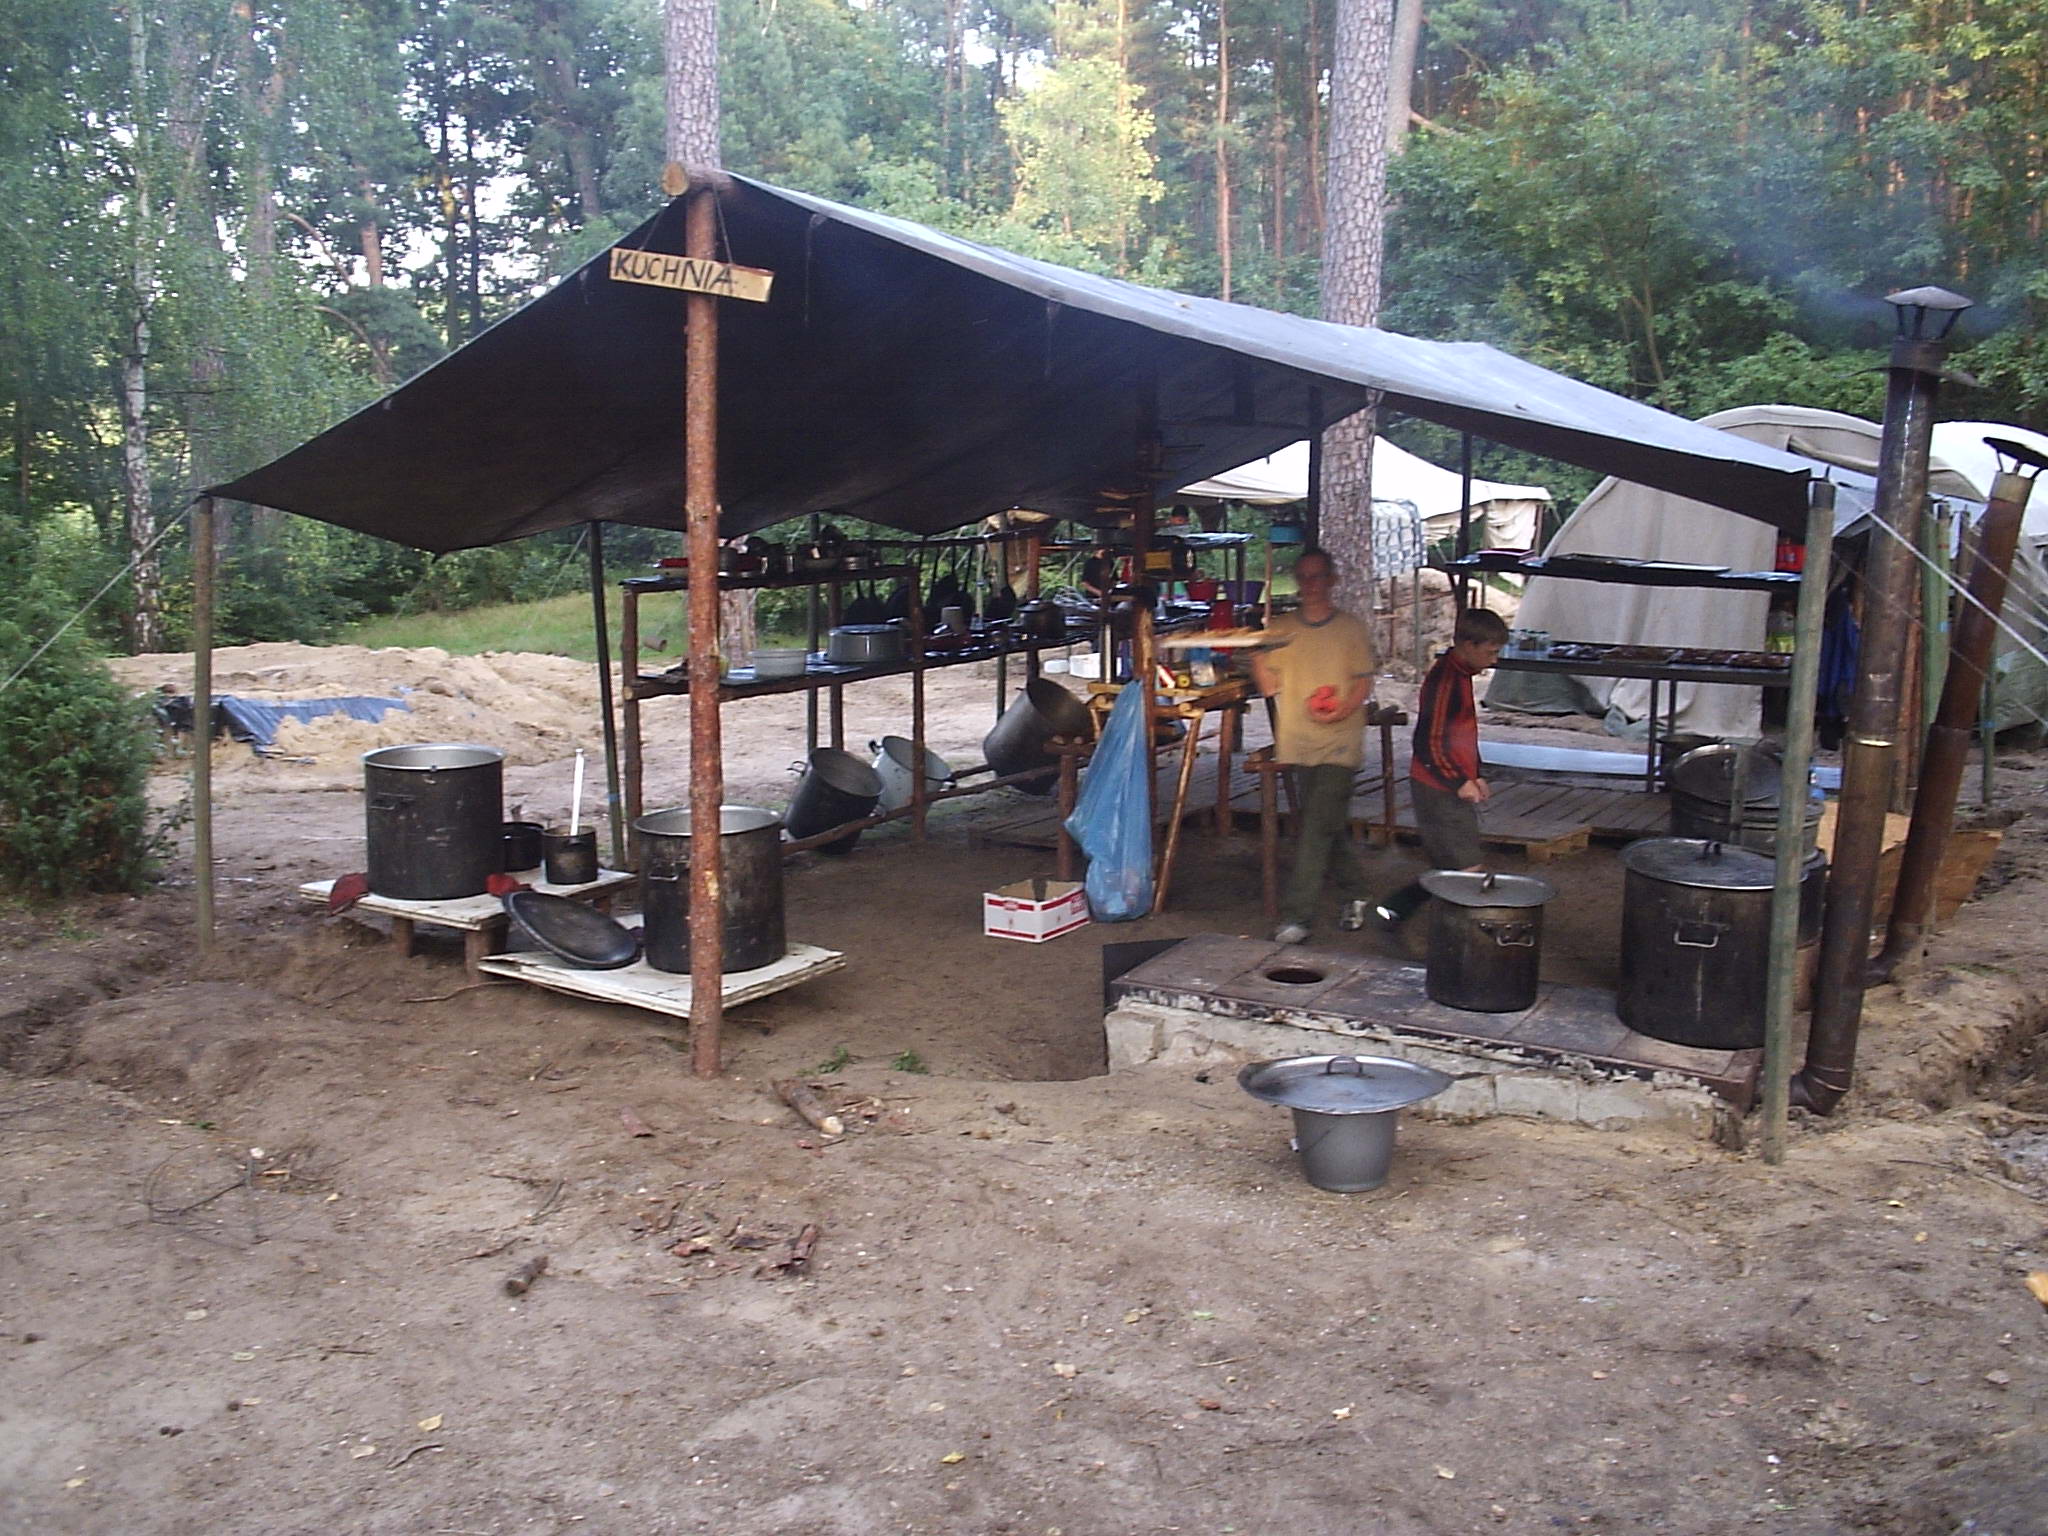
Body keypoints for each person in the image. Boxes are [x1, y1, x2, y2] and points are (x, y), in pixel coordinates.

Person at [1249, 547, 1378, 944]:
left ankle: (1297, 917)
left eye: (1317, 576)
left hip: (1340, 742)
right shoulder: (1282, 629)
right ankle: (1357, 892)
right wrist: (1255, 650)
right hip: (1299, 741)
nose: (1310, 584)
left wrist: (1341, 710)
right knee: (1325, 824)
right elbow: (1268, 686)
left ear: (1332, 580)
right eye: (1303, 577)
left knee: (1315, 826)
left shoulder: (1351, 628)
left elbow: (1364, 682)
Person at [1373, 606, 1510, 929]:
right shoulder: (1445, 681)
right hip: (1438, 788)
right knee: (1467, 869)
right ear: (1468, 645)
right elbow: (1428, 742)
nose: (1494, 660)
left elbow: (1462, 735)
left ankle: (1394, 911)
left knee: (1448, 868)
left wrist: (1476, 773)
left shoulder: (1460, 676)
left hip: (1448, 782)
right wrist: (1458, 781)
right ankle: (1464, 932)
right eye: (1490, 652)